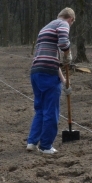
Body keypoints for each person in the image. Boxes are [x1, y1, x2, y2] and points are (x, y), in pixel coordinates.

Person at [26, 8, 75, 155]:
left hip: (36, 72)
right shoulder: (63, 24)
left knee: (40, 110)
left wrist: (63, 79)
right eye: (72, 23)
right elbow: (63, 43)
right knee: (51, 111)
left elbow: (49, 58)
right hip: (48, 75)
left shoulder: (46, 28)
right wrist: (68, 54)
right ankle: (46, 146)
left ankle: (32, 142)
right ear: (70, 19)